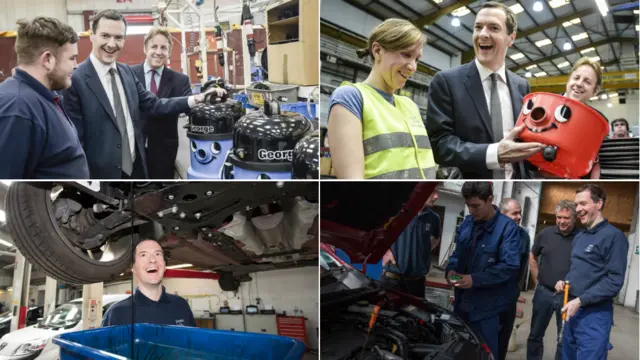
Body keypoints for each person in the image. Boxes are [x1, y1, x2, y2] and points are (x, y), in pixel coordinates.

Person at [63, 9, 225, 179]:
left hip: (136, 169)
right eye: (105, 36)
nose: (112, 44)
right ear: (92, 36)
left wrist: (197, 99)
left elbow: (154, 105)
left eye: (118, 37)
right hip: (102, 176)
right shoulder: (75, 79)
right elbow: (75, 141)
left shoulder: (126, 72)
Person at [426, 1, 544, 179]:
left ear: (511, 38)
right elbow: (440, 145)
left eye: (494, 28)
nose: (483, 34)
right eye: (478, 27)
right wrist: (494, 153)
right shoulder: (446, 81)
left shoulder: (522, 85)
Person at [327, 18, 437, 179]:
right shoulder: (351, 97)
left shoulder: (410, 105)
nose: (413, 67)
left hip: (416, 203)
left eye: (417, 59)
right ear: (377, 51)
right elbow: (351, 182)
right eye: (406, 54)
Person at [0, 16, 89, 178]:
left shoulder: (40, 97)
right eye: (72, 58)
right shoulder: (18, 108)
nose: (76, 65)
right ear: (47, 59)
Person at [445, 182, 521, 359]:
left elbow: (509, 267)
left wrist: (474, 279)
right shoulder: (467, 223)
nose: (471, 210)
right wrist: (451, 270)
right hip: (461, 305)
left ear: (490, 200)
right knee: (458, 352)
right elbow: (457, 253)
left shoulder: (507, 229)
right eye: (468, 205)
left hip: (487, 310)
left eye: (476, 206)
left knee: (484, 355)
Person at [555, 184, 628, 360]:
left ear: (599, 203)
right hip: (571, 309)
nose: (578, 209)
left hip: (594, 315)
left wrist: (580, 300)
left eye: (583, 203)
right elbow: (578, 270)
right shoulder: (580, 236)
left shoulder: (614, 237)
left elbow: (614, 281)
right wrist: (565, 282)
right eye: (576, 205)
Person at [131, 27, 192, 179]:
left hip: (164, 151)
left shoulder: (180, 81)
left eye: (164, 48)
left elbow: (191, 108)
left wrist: (208, 100)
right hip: (133, 150)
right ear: (145, 48)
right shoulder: (129, 75)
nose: (158, 52)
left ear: (169, 52)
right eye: (154, 46)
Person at [526, 200, 578, 360]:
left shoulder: (581, 238)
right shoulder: (545, 234)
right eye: (559, 217)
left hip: (568, 297)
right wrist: (537, 281)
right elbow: (532, 256)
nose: (562, 221)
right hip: (544, 293)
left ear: (574, 218)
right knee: (535, 335)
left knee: (564, 339)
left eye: (566, 218)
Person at [103, 239, 196, 326]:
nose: (152, 260)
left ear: (164, 265)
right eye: (143, 255)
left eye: (157, 254)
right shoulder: (116, 313)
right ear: (134, 268)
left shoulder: (181, 305)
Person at [380, 186, 441, 297]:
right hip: (392, 280)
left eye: (438, 191)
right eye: (432, 192)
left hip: (417, 283)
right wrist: (385, 251)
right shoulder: (397, 211)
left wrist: (424, 251)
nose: (436, 196)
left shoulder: (434, 218)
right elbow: (377, 232)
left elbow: (436, 238)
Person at [497, 198, 530, 360]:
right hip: (488, 296)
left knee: (503, 339)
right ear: (502, 215)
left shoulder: (523, 236)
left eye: (520, 213)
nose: (519, 217)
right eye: (514, 213)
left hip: (509, 297)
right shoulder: (492, 233)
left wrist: (515, 291)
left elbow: (521, 269)